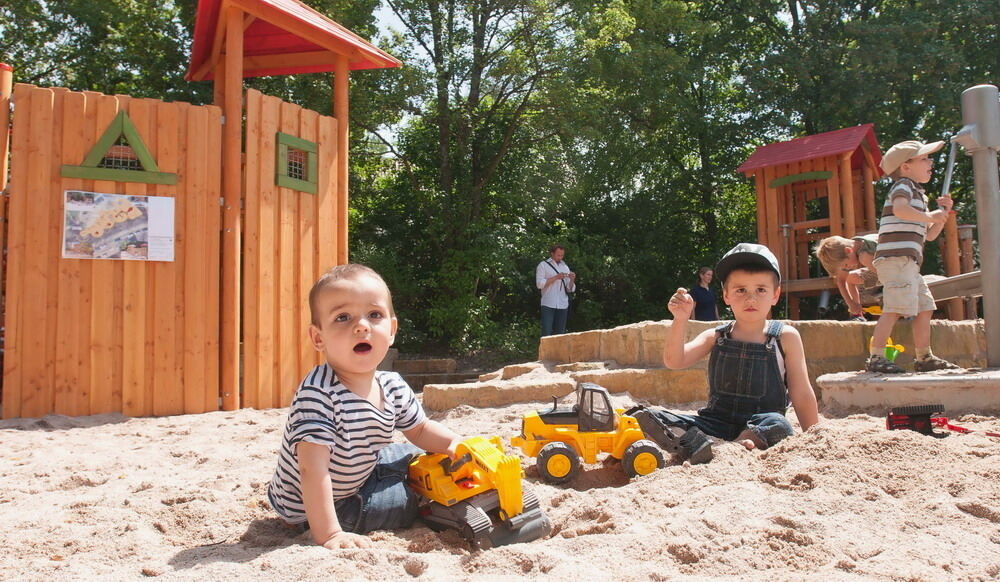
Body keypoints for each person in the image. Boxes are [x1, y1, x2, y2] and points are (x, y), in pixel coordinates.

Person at [267, 264, 464, 549]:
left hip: (354, 471)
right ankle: (333, 525)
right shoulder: (318, 393)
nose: (361, 326)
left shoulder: (392, 385)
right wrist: (330, 535)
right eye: (343, 317)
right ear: (318, 338)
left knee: (416, 451)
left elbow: (420, 430)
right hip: (319, 508)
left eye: (374, 315)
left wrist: (456, 444)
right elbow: (312, 470)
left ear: (392, 329)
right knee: (405, 499)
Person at [652, 243, 819, 451]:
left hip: (760, 424)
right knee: (653, 416)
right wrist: (680, 319)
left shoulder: (785, 337)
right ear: (726, 295)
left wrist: (814, 436)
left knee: (778, 425)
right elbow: (674, 361)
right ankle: (701, 443)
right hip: (714, 424)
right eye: (741, 290)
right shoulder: (716, 336)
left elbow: (801, 392)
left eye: (760, 289)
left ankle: (741, 443)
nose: (750, 298)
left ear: (775, 295)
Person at [865, 140, 960, 373]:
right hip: (896, 259)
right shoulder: (904, 186)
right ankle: (876, 357)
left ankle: (923, 357)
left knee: (926, 306)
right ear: (906, 167)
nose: (931, 162)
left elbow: (929, 236)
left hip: (908, 263)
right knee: (895, 307)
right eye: (924, 158)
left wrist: (941, 215)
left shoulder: (919, 194)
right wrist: (930, 216)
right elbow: (899, 210)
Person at [814, 234, 880, 321]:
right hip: (881, 270)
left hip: (892, 272)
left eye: (845, 265)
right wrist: (851, 304)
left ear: (848, 251)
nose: (847, 268)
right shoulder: (854, 245)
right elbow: (841, 280)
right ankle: (858, 314)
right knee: (851, 278)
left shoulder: (865, 254)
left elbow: (884, 273)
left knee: (864, 261)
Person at [536, 244, 576, 336]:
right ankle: (546, 350)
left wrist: (572, 279)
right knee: (547, 331)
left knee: (560, 333)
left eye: (562, 255)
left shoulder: (565, 267)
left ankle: (558, 351)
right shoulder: (543, 265)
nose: (560, 257)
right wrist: (555, 277)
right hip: (548, 303)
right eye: (558, 255)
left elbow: (569, 289)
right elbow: (539, 284)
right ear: (552, 254)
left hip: (562, 304)